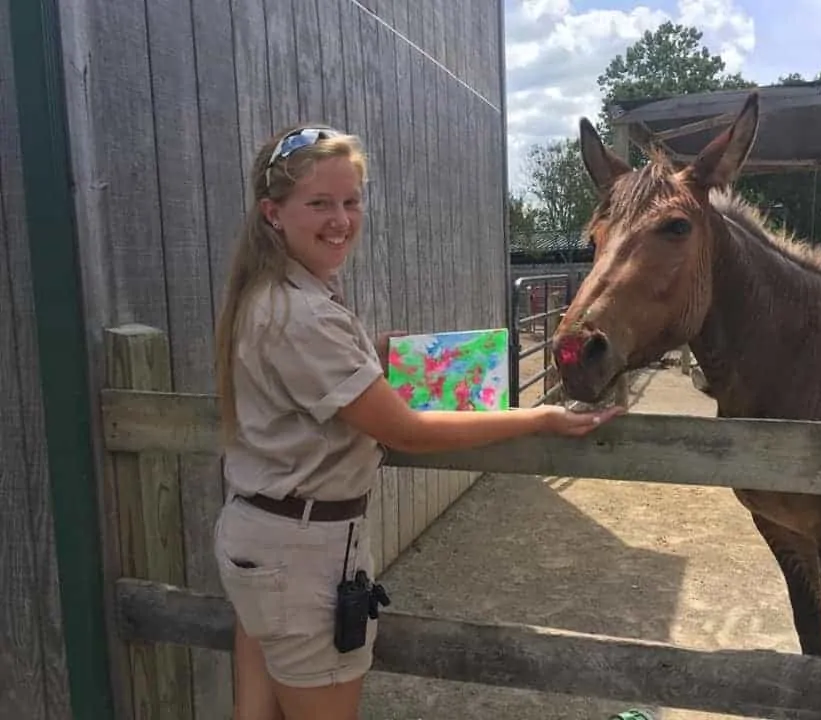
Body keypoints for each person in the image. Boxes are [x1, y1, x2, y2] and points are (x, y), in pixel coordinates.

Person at [212, 122, 624, 720]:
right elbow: (406, 430)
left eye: (351, 201)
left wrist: (376, 354)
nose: (341, 219)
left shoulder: (270, 294)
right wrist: (535, 418)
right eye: (320, 203)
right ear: (274, 213)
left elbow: (307, 380)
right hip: (302, 557)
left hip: (261, 534)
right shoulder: (304, 315)